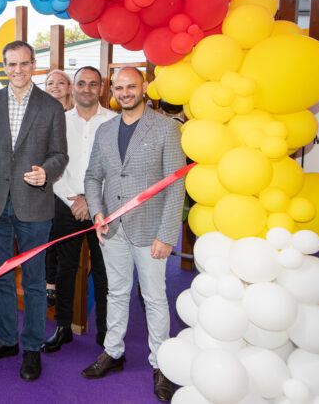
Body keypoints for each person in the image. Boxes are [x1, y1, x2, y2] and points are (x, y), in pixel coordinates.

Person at [81, 67, 185, 403]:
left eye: (131, 86)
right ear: (112, 90)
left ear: (145, 88)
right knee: (116, 293)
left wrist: (168, 233)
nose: (125, 92)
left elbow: (176, 184)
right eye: (120, 87)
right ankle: (113, 351)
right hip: (112, 228)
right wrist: (97, 212)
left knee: (155, 298)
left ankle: (161, 365)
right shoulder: (105, 129)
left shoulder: (167, 128)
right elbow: (93, 177)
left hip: (151, 230)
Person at [0, 40, 68, 382]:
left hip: (35, 205)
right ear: (3, 66)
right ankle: (8, 340)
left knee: (36, 282)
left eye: (24, 64)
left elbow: (60, 154)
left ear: (34, 64)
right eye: (11, 64)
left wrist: (47, 172)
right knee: (1, 277)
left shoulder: (51, 106)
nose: (18, 70)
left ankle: (31, 348)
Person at [40, 66, 113, 354]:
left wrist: (90, 199)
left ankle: (107, 332)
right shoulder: (58, 120)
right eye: (81, 83)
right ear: (74, 88)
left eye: (92, 84)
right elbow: (51, 163)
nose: (86, 88)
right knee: (65, 269)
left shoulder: (114, 122)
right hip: (65, 202)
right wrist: (74, 200)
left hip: (103, 208)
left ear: (101, 89)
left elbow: (116, 169)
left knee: (104, 270)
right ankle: (63, 327)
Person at [43, 68, 74, 307]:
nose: (55, 86)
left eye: (60, 82)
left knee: (64, 242)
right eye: (50, 82)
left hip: (70, 189)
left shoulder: (76, 115)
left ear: (69, 87)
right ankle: (48, 282)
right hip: (44, 187)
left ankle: (60, 287)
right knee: (46, 238)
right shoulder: (39, 115)